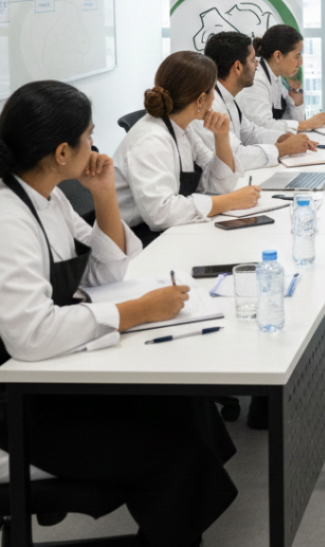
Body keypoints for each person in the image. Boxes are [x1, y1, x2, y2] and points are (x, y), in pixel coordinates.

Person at [0, 80, 238, 547]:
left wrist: (104, 193)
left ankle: (176, 529)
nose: (97, 145)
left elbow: (105, 275)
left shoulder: (47, 195)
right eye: (90, 135)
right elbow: (30, 336)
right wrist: (137, 312)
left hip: (51, 382)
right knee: (174, 446)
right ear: (63, 151)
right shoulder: (8, 221)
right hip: (19, 410)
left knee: (185, 401)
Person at [114, 51, 260, 242]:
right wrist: (229, 202)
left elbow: (217, 185)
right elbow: (161, 214)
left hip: (169, 231)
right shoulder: (150, 140)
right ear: (201, 100)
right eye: (213, 91)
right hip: (135, 240)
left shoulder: (183, 128)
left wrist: (221, 137)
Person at [201, 31, 318, 169]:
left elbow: (250, 133)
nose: (257, 64)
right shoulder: (209, 105)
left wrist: (281, 138)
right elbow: (233, 156)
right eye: (252, 60)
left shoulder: (226, 97)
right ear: (238, 67)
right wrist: (283, 149)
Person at [236, 23, 325, 134]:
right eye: (297, 56)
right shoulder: (256, 82)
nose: (300, 62)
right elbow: (263, 127)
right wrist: (308, 124)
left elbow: (288, 122)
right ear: (278, 56)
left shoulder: (276, 80)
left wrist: (296, 104)